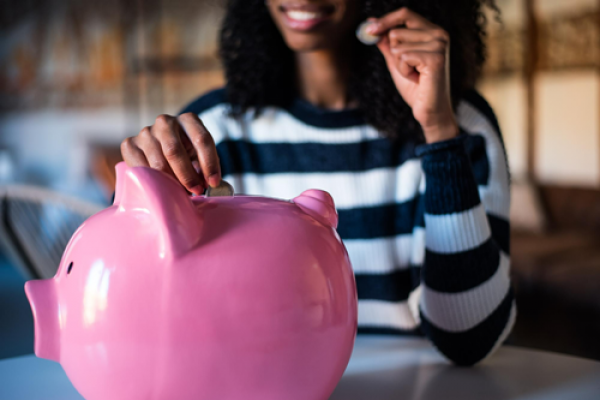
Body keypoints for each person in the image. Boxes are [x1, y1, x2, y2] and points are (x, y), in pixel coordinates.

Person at [121, 0, 514, 366]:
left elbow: (470, 340)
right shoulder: (212, 133)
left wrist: (439, 132)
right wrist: (146, 191)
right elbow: (133, 316)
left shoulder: (459, 127)